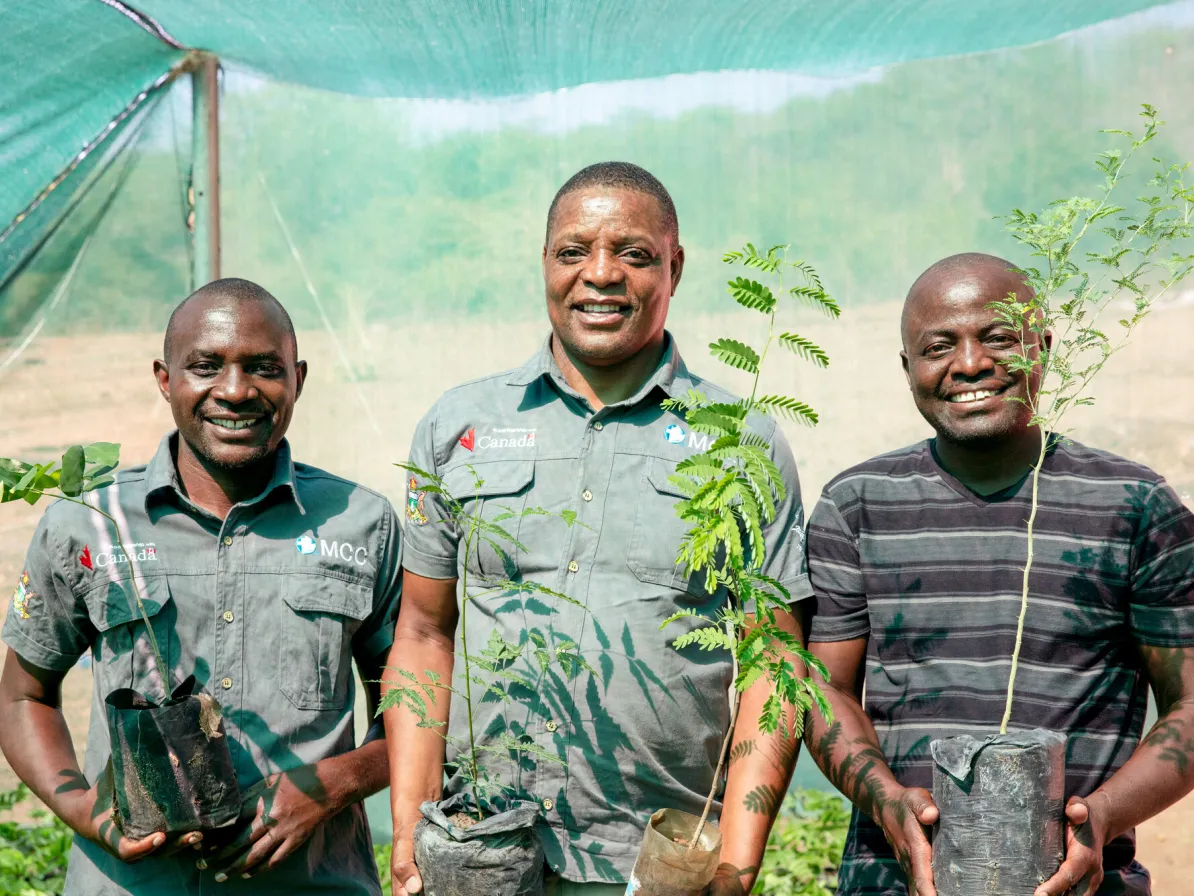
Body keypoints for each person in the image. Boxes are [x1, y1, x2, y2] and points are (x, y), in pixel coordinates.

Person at [384, 162, 813, 895]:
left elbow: (774, 665)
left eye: (634, 254)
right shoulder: (460, 427)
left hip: (659, 862)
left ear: (674, 266)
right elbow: (425, 635)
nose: (600, 275)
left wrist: (736, 864)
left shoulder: (741, 442)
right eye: (573, 251)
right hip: (481, 847)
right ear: (545, 264)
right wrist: (407, 831)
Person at [803, 252, 1194, 896]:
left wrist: (1103, 817)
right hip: (891, 880)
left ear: (1043, 345)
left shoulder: (1135, 505)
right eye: (938, 346)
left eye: (998, 338)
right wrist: (888, 803)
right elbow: (826, 693)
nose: (970, 364)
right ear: (908, 370)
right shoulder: (857, 506)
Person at [0, 279, 402, 894]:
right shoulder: (90, 523)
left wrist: (331, 787)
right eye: (206, 366)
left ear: (298, 377)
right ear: (166, 379)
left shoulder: (360, 524)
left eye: (264, 368)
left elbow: (419, 707)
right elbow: (23, 697)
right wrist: (86, 812)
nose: (236, 391)